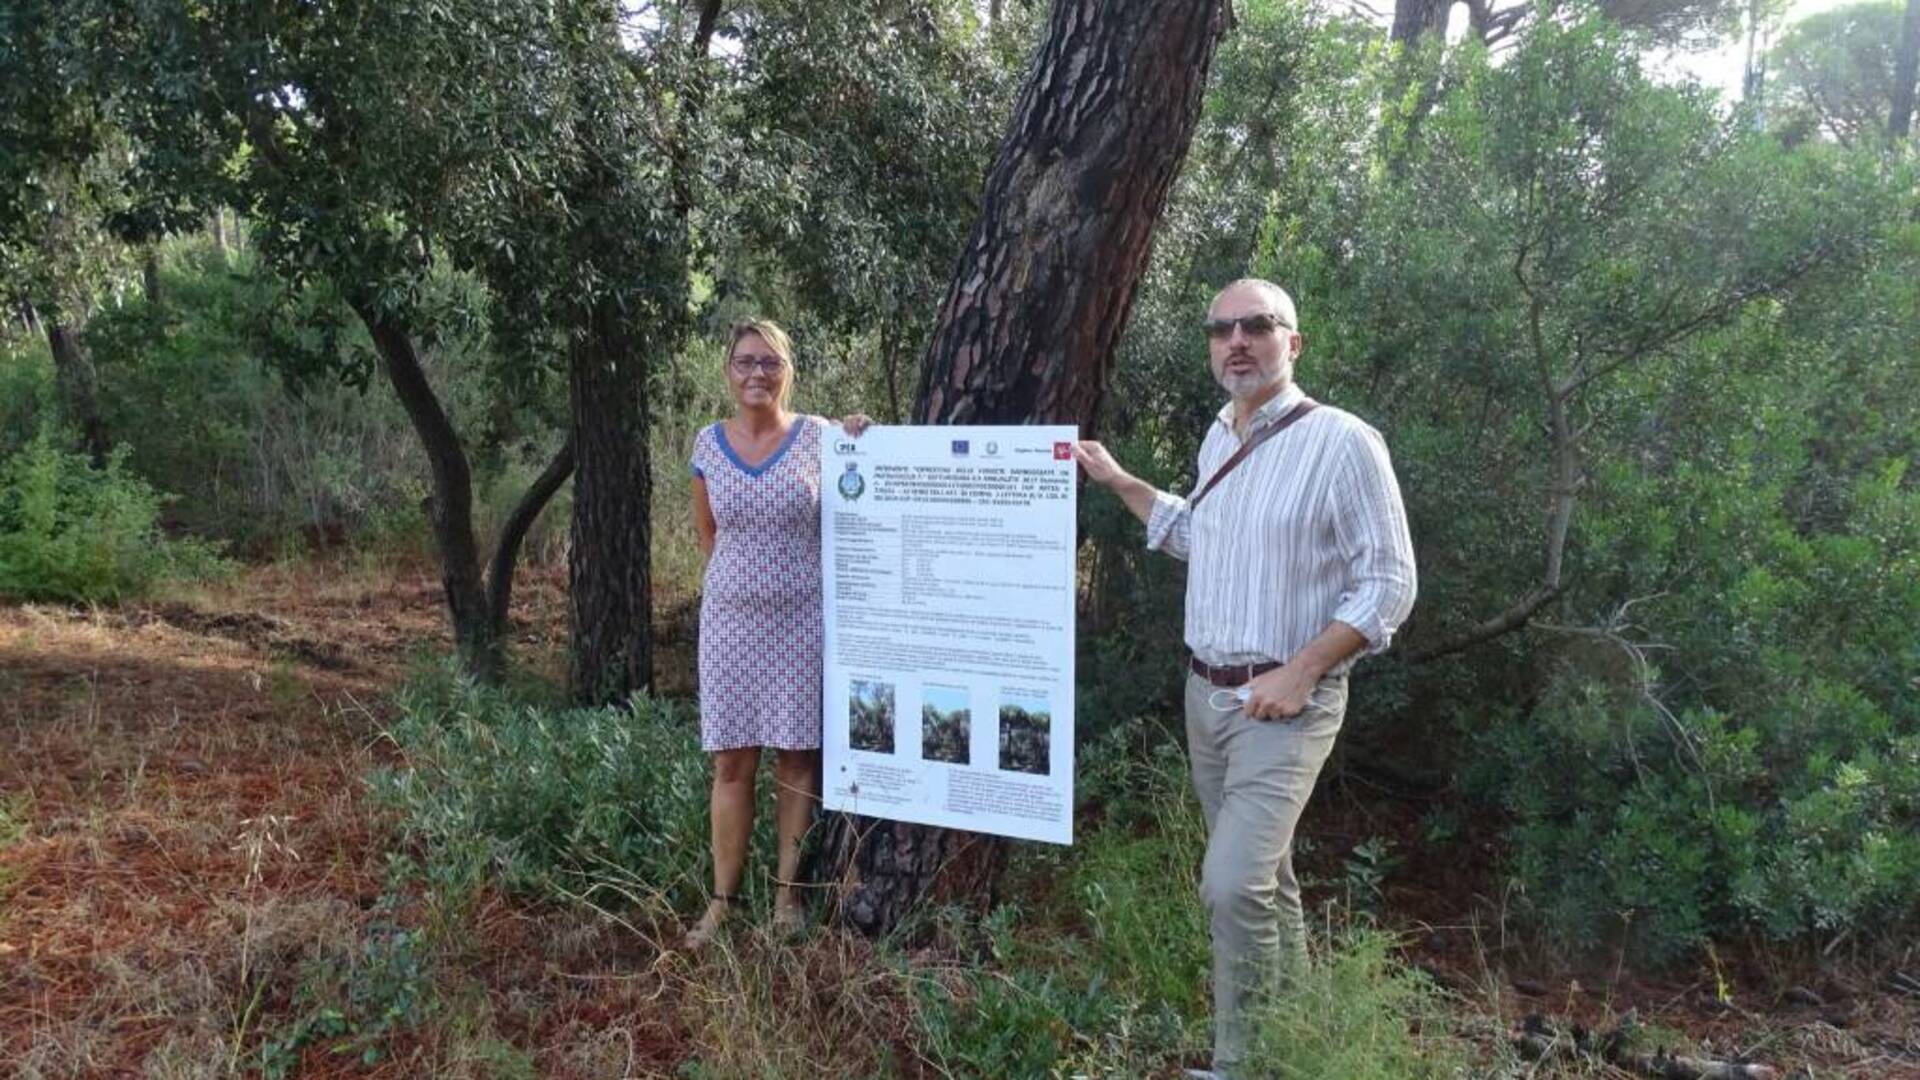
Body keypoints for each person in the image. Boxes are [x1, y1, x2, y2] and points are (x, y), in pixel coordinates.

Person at [1074, 279, 1416, 1077]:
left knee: (1230, 886)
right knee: (1267, 880)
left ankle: (1241, 1064)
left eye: (1257, 326)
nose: (1238, 341)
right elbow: (1205, 538)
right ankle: (1296, 1041)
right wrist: (1121, 480)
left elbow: (1390, 583)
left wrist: (1303, 671)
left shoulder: (1343, 443)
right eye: (1222, 329)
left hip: (1285, 706)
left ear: (1291, 344)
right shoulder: (1219, 437)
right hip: (1208, 698)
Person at [685, 318, 866, 948]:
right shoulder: (707, 444)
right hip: (730, 625)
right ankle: (722, 903)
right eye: (744, 362)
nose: (756, 373)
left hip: (801, 625)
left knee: (796, 760)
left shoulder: (820, 436)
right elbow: (711, 537)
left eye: (769, 361)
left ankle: (787, 901)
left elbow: (860, 486)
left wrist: (860, 441)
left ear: (787, 370)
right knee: (732, 763)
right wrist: (744, 584)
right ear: (727, 372)